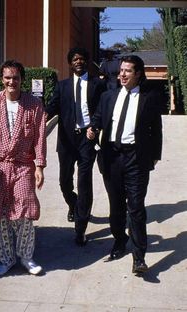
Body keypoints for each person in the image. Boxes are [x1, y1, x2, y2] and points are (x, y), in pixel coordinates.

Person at [0, 60, 47, 276]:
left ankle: (26, 257)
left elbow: (40, 136)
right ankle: (7, 258)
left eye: (16, 77)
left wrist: (40, 165)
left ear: (22, 79)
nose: (11, 81)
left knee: (25, 212)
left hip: (22, 165)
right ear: (2, 79)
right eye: (7, 77)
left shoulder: (34, 104)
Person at [87, 55, 162, 274]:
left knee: (136, 208)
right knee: (116, 206)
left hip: (136, 159)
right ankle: (120, 241)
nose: (122, 74)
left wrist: (155, 155)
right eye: (121, 70)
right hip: (112, 156)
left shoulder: (149, 98)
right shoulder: (108, 96)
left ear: (138, 73)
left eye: (128, 71)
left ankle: (139, 258)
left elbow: (156, 128)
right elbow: (99, 118)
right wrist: (93, 128)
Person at [45, 47, 106, 246]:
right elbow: (51, 108)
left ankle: (81, 229)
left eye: (81, 58)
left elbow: (103, 109)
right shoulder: (62, 86)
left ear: (86, 62)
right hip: (66, 141)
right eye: (74, 59)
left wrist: (95, 127)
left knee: (84, 183)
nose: (78, 62)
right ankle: (73, 204)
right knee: (64, 182)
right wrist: (34, 116)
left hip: (87, 140)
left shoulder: (98, 84)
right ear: (70, 64)